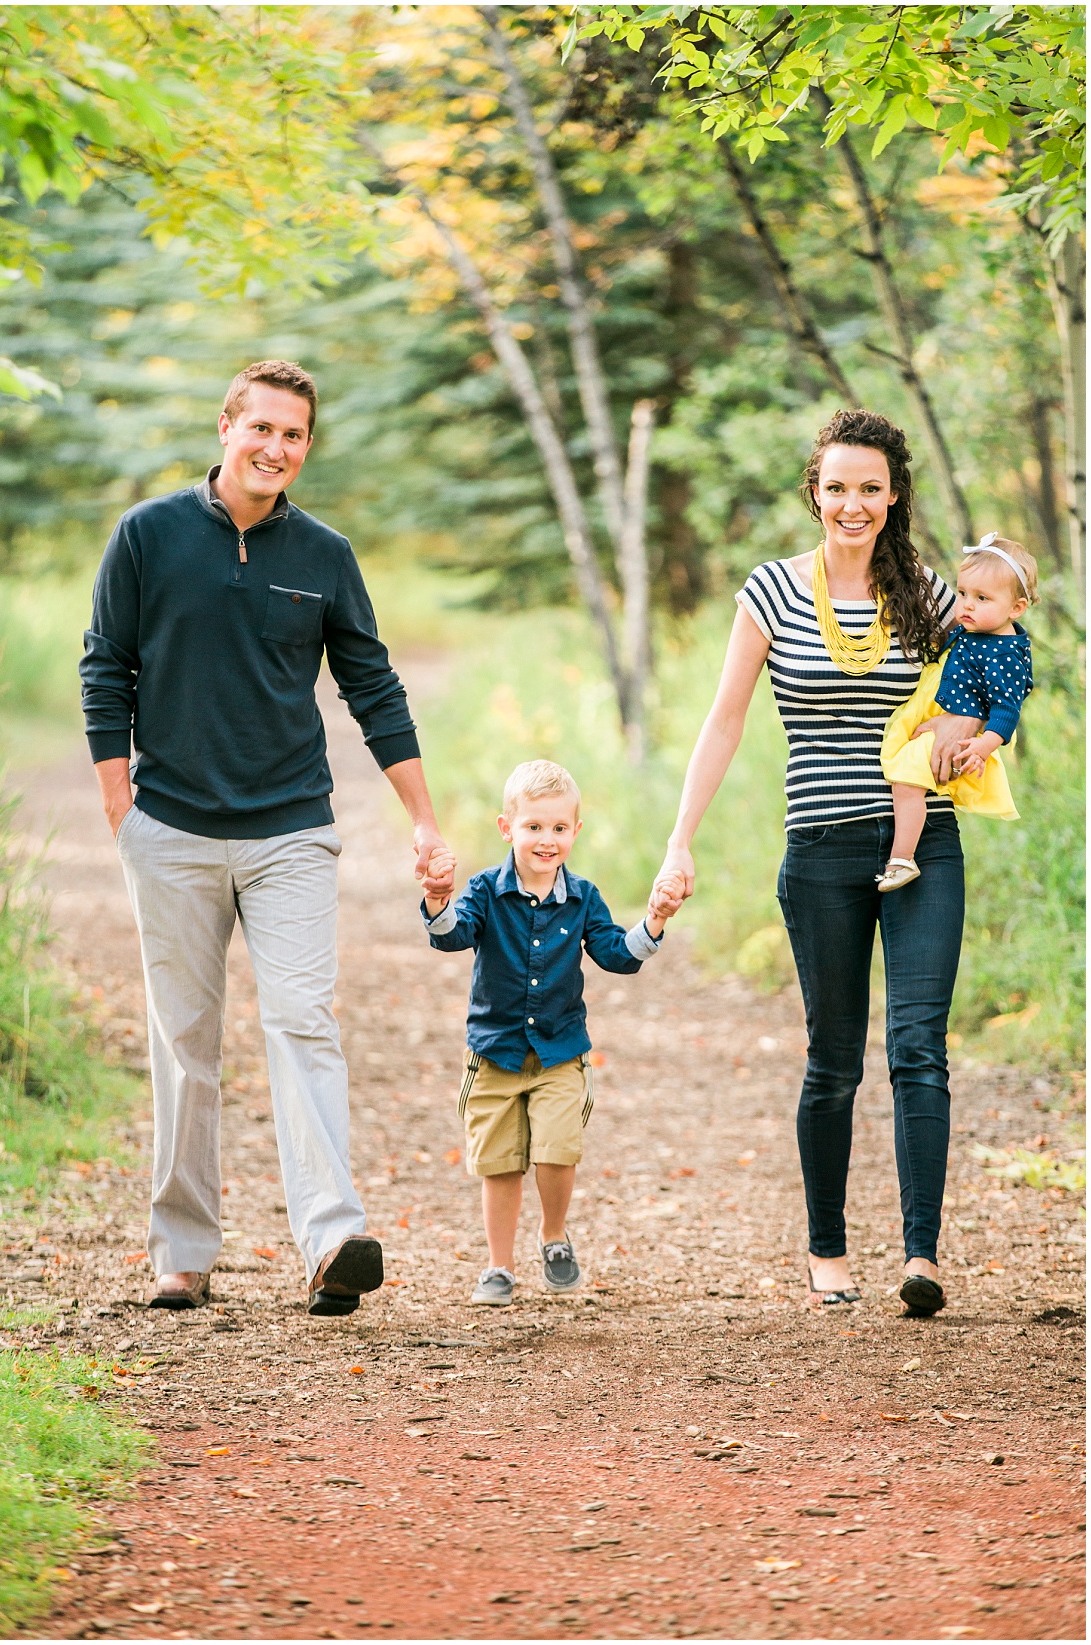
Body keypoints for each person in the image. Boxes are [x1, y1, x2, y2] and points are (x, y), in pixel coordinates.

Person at [80, 359, 453, 1316]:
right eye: (262, 430)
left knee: (302, 1022)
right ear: (226, 427)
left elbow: (373, 686)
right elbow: (105, 665)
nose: (275, 449)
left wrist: (421, 817)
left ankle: (331, 1239)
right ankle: (183, 1250)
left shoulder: (324, 555)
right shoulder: (148, 535)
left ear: (307, 448)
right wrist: (122, 808)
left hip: (291, 828)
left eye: (293, 436)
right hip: (170, 831)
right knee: (184, 1041)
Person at [648, 408, 980, 1319]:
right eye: (837, 486)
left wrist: (972, 733)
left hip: (925, 845)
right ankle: (827, 1250)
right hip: (821, 851)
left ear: (895, 494)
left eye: (871, 488)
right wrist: (680, 839)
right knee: (833, 1058)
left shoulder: (932, 595)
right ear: (815, 492)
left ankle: (922, 1256)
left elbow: (990, 685)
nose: (853, 503)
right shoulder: (773, 592)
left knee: (919, 1048)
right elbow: (724, 721)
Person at [420, 760, 682, 1306]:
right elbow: (451, 937)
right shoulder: (485, 892)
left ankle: (554, 1234)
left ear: (575, 832)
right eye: (534, 827)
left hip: (561, 1053)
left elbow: (616, 954)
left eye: (559, 828)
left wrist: (654, 919)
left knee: (558, 1150)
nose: (546, 839)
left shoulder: (583, 897)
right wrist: (439, 900)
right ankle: (499, 1266)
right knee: (500, 1163)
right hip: (495, 1055)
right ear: (506, 828)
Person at [877, 532, 1036, 890]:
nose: (966, 605)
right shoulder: (977, 629)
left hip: (960, 735)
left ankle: (902, 858)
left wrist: (983, 746)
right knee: (904, 771)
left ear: (1016, 608)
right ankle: (901, 856)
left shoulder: (1004, 652)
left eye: (981, 598)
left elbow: (1007, 708)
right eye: (962, 593)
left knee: (905, 781)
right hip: (939, 714)